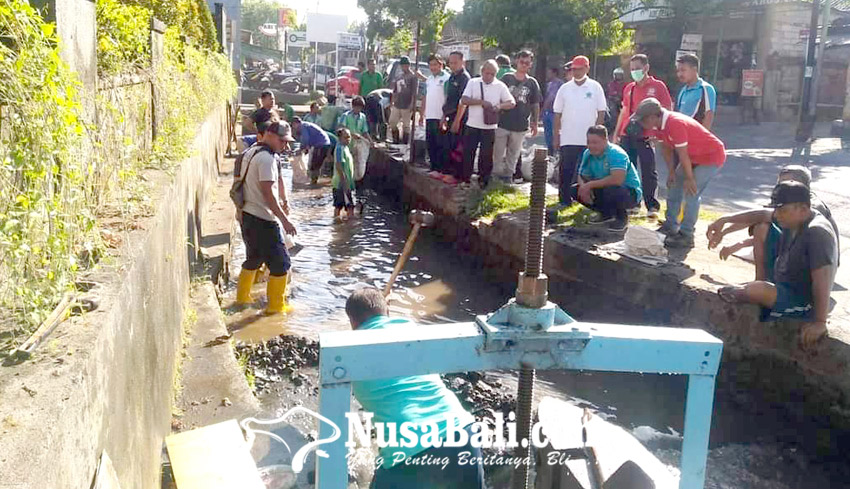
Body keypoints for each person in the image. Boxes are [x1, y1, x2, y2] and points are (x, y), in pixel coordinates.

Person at [345, 287, 485, 489]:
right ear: (388, 312)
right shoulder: (409, 328)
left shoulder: (347, 350)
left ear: (352, 322)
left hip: (410, 452)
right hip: (462, 433)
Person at [716, 181, 838, 349]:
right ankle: (757, 285)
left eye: (782, 210)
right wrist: (725, 220)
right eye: (776, 210)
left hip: (802, 299)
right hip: (784, 275)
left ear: (802, 208)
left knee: (754, 290)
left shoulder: (818, 233)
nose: (777, 215)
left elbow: (822, 279)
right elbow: (760, 215)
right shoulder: (793, 216)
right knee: (761, 228)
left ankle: (755, 290)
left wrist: (820, 321)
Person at [706, 165, 840, 276]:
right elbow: (758, 215)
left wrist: (737, 245)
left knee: (762, 228)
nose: (781, 186)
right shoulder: (791, 199)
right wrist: (724, 228)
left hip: (818, 267)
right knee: (761, 225)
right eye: (780, 182)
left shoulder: (806, 208)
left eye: (787, 182)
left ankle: (767, 282)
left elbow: (770, 221)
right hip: (800, 254)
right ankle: (761, 282)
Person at [633, 97, 726, 248]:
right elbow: (667, 148)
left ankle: (686, 235)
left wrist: (690, 178)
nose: (641, 124)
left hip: (711, 156)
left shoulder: (675, 123)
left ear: (651, 117)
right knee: (674, 186)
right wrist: (671, 172)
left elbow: (682, 154)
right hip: (692, 157)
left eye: (642, 120)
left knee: (691, 192)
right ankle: (670, 225)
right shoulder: (657, 125)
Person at [234, 121, 298, 314]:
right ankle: (276, 309)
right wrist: (285, 220)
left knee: (253, 258)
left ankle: (242, 299)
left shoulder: (251, 152)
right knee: (281, 264)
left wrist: (284, 199)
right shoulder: (267, 159)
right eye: (282, 141)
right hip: (262, 219)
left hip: (247, 215)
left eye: (287, 142)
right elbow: (268, 193)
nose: (285, 146)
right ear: (269, 135)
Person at [614, 54, 673, 219]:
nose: (634, 72)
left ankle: (651, 205)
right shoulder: (629, 88)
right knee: (628, 170)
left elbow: (667, 110)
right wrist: (617, 133)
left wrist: (659, 134)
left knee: (648, 170)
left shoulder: (658, 86)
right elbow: (624, 111)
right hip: (628, 133)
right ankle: (633, 202)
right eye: (632, 69)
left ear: (646, 68)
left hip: (647, 135)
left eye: (637, 68)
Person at [552, 55, 607, 206]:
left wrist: (597, 136)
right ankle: (564, 200)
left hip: (588, 140)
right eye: (574, 69)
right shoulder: (565, 88)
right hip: (568, 137)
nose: (576, 72)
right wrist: (556, 136)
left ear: (587, 68)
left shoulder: (595, 87)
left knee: (589, 172)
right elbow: (557, 113)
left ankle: (588, 201)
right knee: (566, 170)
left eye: (579, 69)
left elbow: (601, 112)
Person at [452, 59, 516, 188]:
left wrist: (499, 106)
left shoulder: (500, 86)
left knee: (486, 156)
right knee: (468, 153)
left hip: (489, 126)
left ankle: (484, 181)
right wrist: (481, 102)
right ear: (482, 71)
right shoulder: (473, 82)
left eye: (492, 74)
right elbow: (464, 100)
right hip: (472, 125)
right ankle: (465, 179)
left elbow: (511, 102)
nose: (489, 77)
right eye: (487, 73)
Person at [572, 125, 642, 231]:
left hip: (628, 192)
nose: (591, 145)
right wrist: (583, 187)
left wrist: (589, 185)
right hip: (603, 188)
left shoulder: (616, 153)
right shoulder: (588, 153)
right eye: (589, 142)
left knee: (612, 189)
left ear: (605, 140)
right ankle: (606, 214)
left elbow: (617, 180)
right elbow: (581, 175)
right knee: (575, 190)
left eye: (595, 142)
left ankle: (622, 219)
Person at [491, 50, 541, 184]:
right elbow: (496, 96)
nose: (524, 65)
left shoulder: (532, 83)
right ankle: (495, 176)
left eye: (527, 63)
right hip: (503, 122)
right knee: (498, 151)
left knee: (513, 153)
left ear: (530, 64)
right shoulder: (507, 78)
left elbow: (535, 104)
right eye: (521, 62)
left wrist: (535, 123)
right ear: (516, 62)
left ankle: (508, 177)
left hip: (521, 124)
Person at [442, 51, 471, 185]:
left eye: (455, 63)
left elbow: (462, 102)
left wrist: (457, 121)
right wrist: (444, 116)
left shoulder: (464, 78)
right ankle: (448, 171)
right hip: (450, 115)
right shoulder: (452, 77)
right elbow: (449, 99)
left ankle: (457, 175)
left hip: (460, 118)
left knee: (458, 147)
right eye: (450, 63)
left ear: (462, 62)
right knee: (449, 144)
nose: (452, 65)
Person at [419, 54, 451, 176]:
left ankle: (441, 169)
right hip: (430, 115)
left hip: (440, 116)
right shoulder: (429, 79)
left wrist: (445, 116)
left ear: (441, 64)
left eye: (435, 65)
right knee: (430, 142)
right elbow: (425, 97)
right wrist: (421, 115)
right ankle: (433, 167)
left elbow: (448, 98)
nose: (433, 67)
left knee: (441, 144)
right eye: (431, 65)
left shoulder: (447, 78)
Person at [675, 53, 717, 131]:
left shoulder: (706, 89)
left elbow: (709, 116)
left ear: (694, 69)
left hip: (697, 137)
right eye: (678, 71)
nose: (680, 74)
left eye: (683, 70)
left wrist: (701, 139)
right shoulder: (683, 91)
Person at [338, 96, 372, 186]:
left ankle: (354, 184)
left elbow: (364, 131)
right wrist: (352, 135)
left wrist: (370, 141)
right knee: (346, 166)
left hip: (358, 146)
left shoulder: (362, 117)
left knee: (358, 165)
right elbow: (341, 128)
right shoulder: (345, 116)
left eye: (360, 108)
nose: (358, 109)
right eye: (357, 107)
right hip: (346, 145)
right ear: (353, 106)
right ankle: (346, 183)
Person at [291, 117, 333, 185]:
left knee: (314, 166)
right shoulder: (305, 125)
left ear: (295, 123)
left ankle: (313, 184)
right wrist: (304, 149)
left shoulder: (303, 126)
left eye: (293, 125)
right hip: (324, 144)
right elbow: (307, 140)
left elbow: (306, 139)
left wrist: (301, 149)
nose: (294, 128)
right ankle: (316, 182)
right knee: (316, 165)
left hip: (321, 145)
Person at [387, 56, 419, 144]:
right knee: (392, 122)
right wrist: (392, 102)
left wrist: (412, 104)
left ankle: (404, 143)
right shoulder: (399, 77)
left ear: (409, 65)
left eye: (406, 65)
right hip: (398, 103)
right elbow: (395, 91)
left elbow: (414, 92)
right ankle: (396, 140)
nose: (404, 67)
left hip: (407, 104)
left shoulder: (413, 77)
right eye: (402, 65)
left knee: (406, 126)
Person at [332, 128, 357, 220]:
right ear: (340, 138)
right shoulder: (339, 149)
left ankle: (340, 227)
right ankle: (347, 227)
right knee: (347, 206)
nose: (348, 139)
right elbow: (338, 165)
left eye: (349, 137)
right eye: (345, 137)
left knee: (344, 206)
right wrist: (344, 182)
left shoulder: (345, 148)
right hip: (341, 183)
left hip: (347, 182)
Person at [542, 67, 564, 157]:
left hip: (553, 112)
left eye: (550, 73)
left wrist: (544, 108)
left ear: (554, 73)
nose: (548, 75)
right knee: (547, 134)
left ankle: (555, 152)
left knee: (554, 132)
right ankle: (550, 151)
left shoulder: (558, 83)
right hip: (548, 111)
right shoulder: (549, 84)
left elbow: (551, 97)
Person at [606, 67, 626, 134]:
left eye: (620, 75)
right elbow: (611, 93)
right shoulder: (611, 84)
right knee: (613, 112)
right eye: (617, 74)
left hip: (622, 101)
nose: (618, 76)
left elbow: (625, 93)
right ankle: (612, 128)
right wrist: (616, 97)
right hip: (613, 101)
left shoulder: (625, 84)